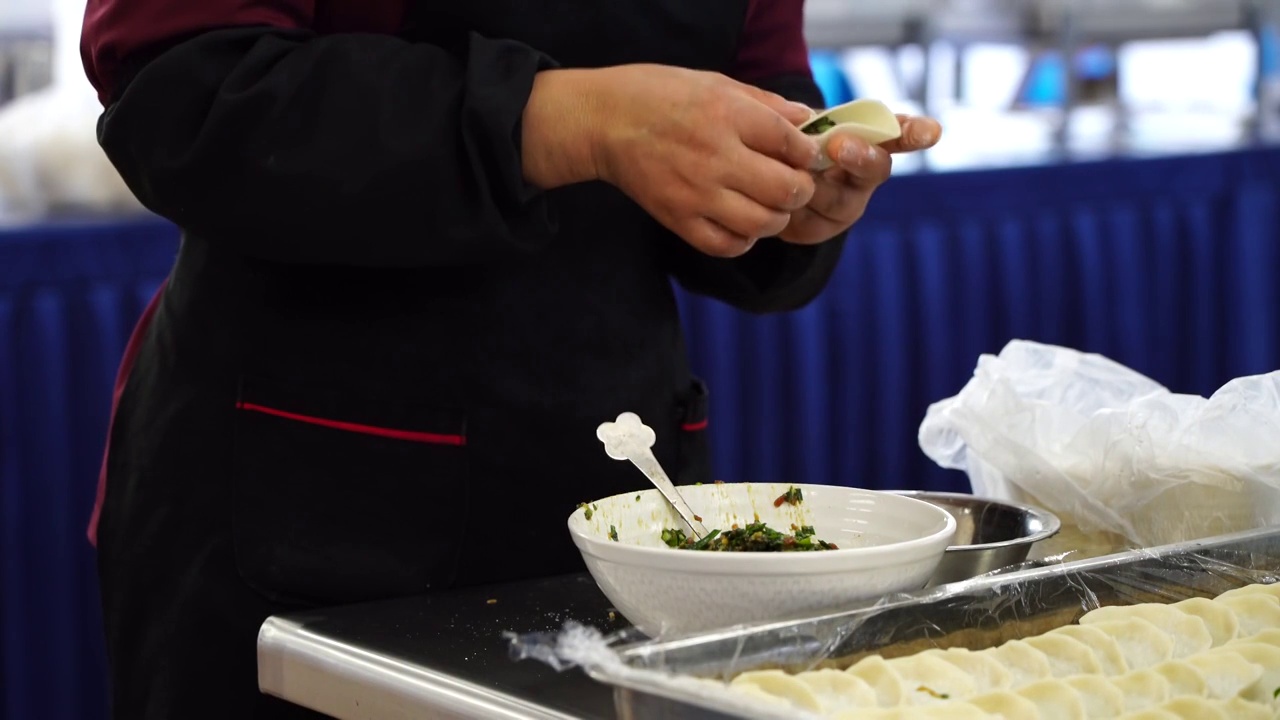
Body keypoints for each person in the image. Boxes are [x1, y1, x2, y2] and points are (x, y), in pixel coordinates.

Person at [79, 0, 942, 717]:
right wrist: (576, 121)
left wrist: (792, 195)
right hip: (297, 507)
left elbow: (761, 98)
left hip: (626, 503)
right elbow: (183, 88)